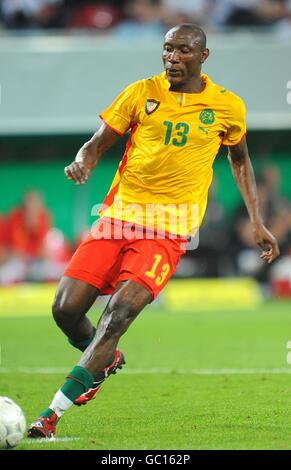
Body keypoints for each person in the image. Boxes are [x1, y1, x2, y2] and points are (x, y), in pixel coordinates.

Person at [28, 23, 279, 438]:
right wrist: (84, 161)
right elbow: (96, 142)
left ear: (203, 56)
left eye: (182, 51)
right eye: (167, 50)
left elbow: (239, 159)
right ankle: (102, 361)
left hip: (169, 228)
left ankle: (51, 415)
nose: (172, 58)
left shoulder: (227, 106)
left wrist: (256, 220)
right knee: (65, 309)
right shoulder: (141, 92)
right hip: (118, 217)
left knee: (119, 314)